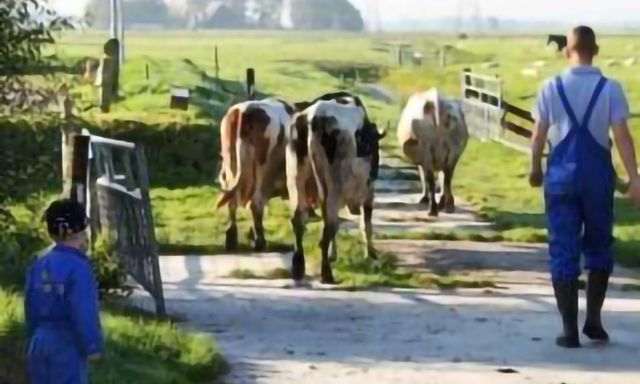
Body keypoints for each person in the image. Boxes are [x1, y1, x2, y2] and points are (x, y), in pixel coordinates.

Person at [530, 26, 640, 348]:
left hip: (561, 179)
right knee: (599, 247)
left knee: (563, 249)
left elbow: (538, 134)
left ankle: (568, 329)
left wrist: (535, 168)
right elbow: (622, 137)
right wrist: (634, 178)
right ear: (596, 50)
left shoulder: (550, 87)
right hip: (598, 180)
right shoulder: (611, 89)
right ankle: (593, 320)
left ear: (567, 51)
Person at [25, 199, 104, 383]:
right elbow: (83, 312)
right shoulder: (79, 268)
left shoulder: (38, 263)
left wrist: (31, 338)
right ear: (80, 232)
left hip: (38, 342)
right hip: (67, 345)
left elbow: (29, 305)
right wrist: (92, 347)